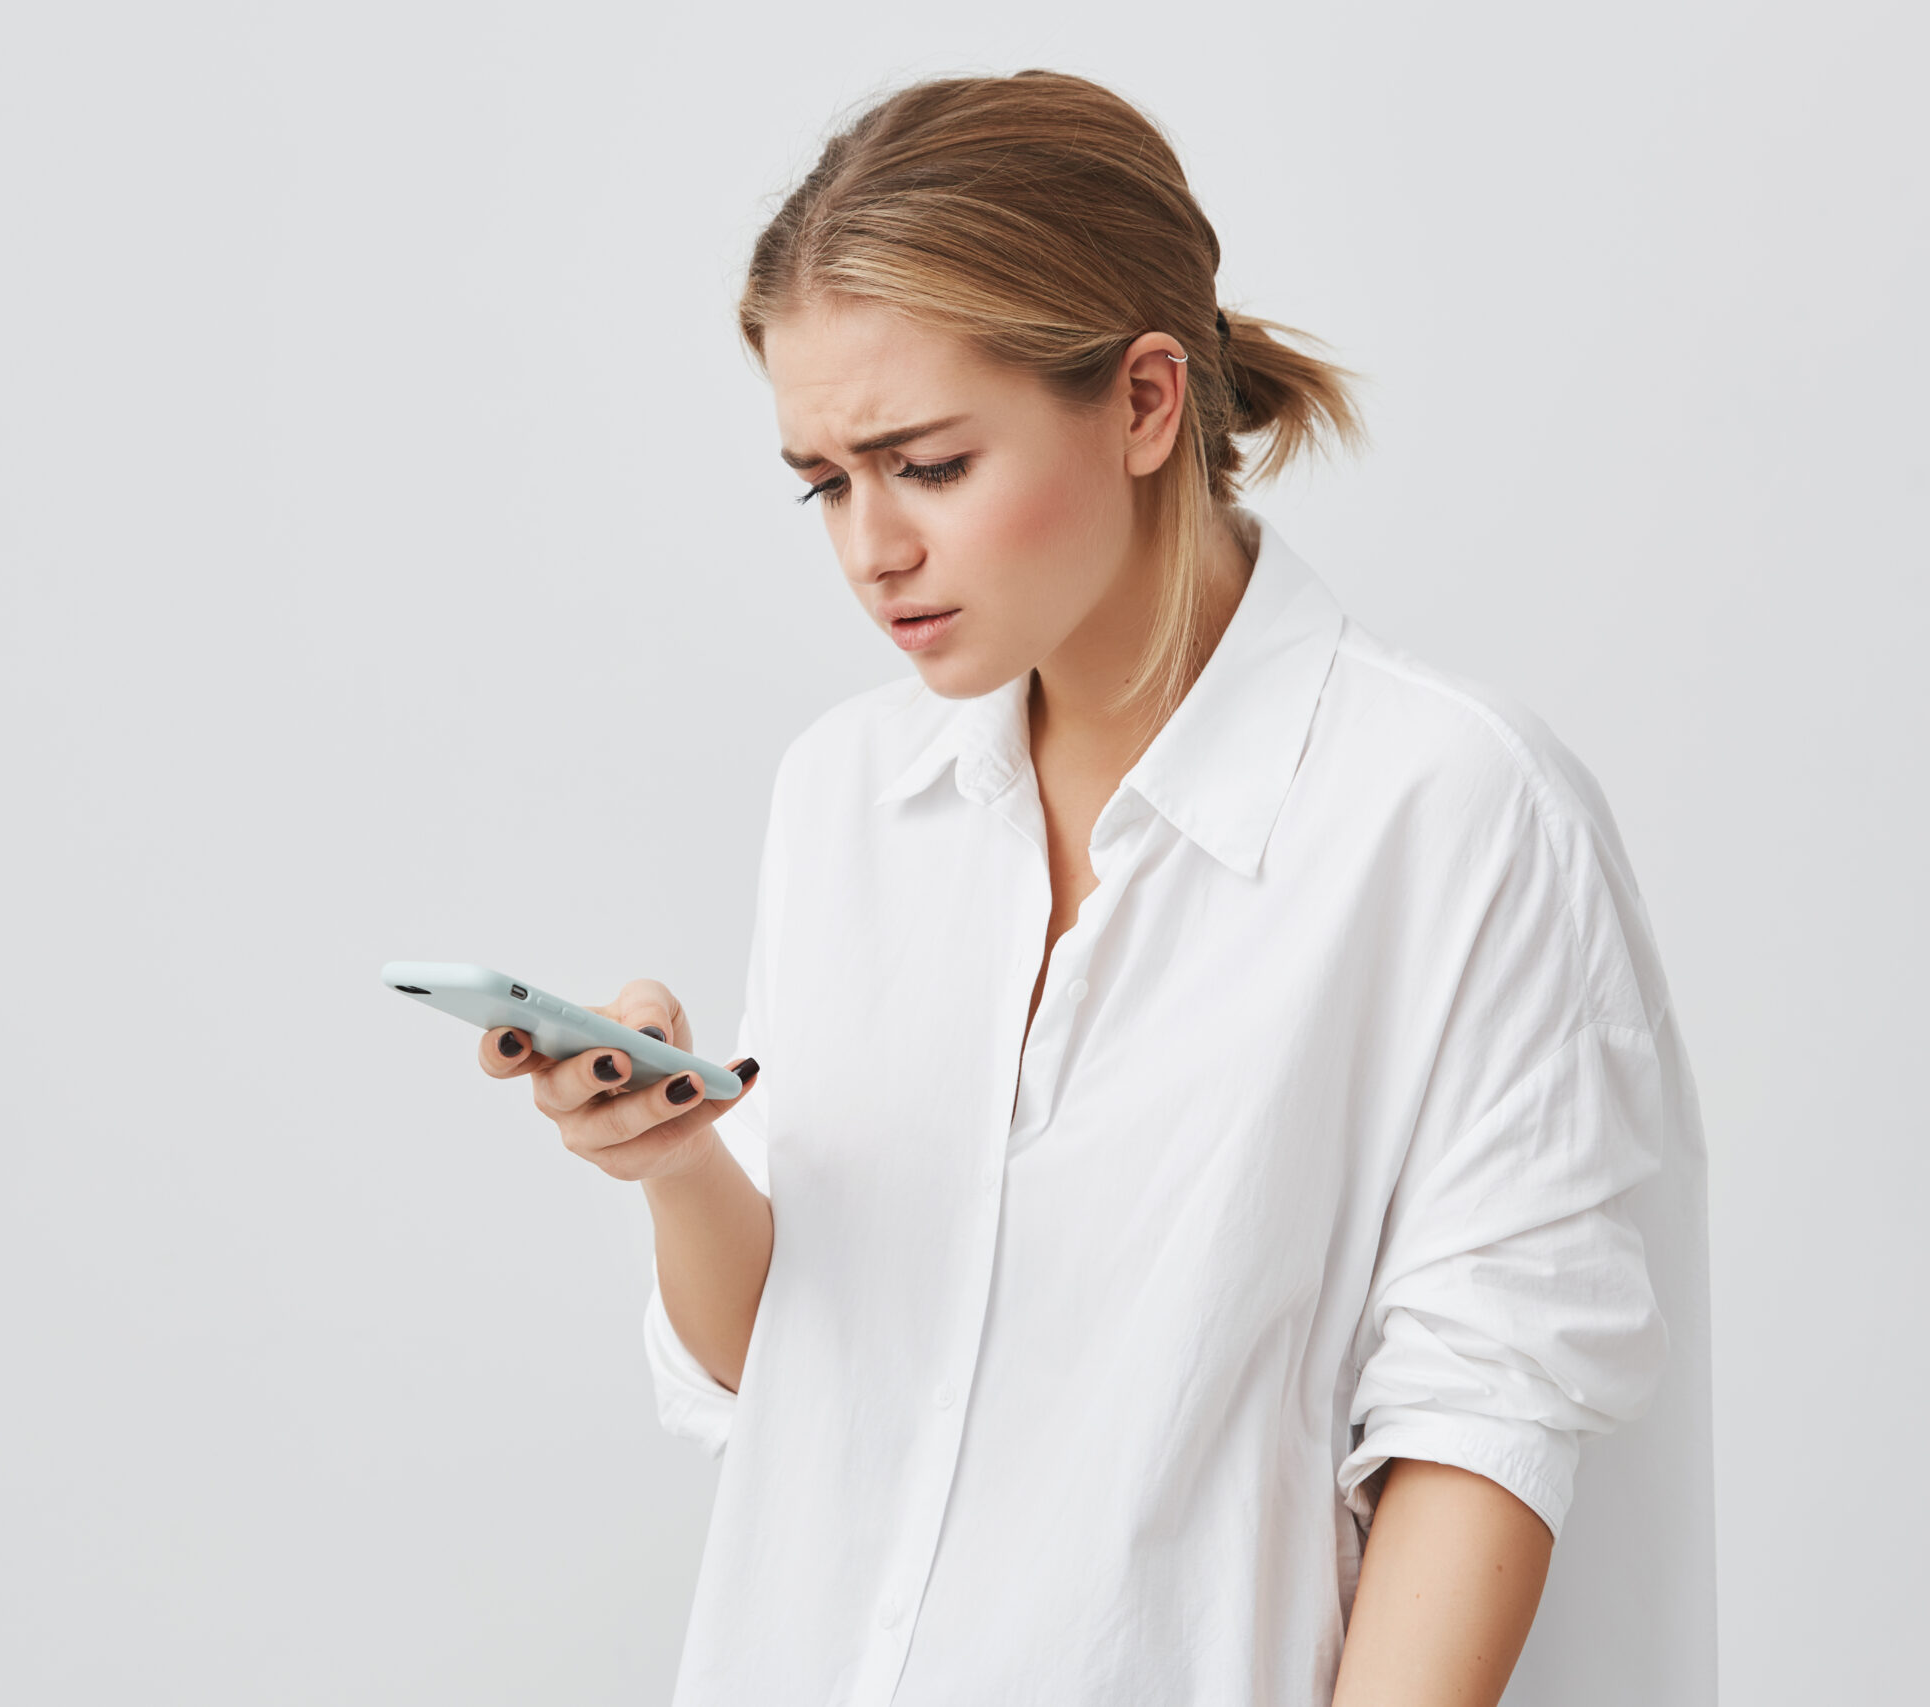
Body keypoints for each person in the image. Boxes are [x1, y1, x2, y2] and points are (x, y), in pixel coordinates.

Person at [474, 71, 1713, 1706]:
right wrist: (676, 1160)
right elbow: (779, 1376)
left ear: (1143, 405)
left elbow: (1488, 1426)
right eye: (825, 482)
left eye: (925, 463)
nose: (871, 550)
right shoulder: (848, 795)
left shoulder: (1451, 811)